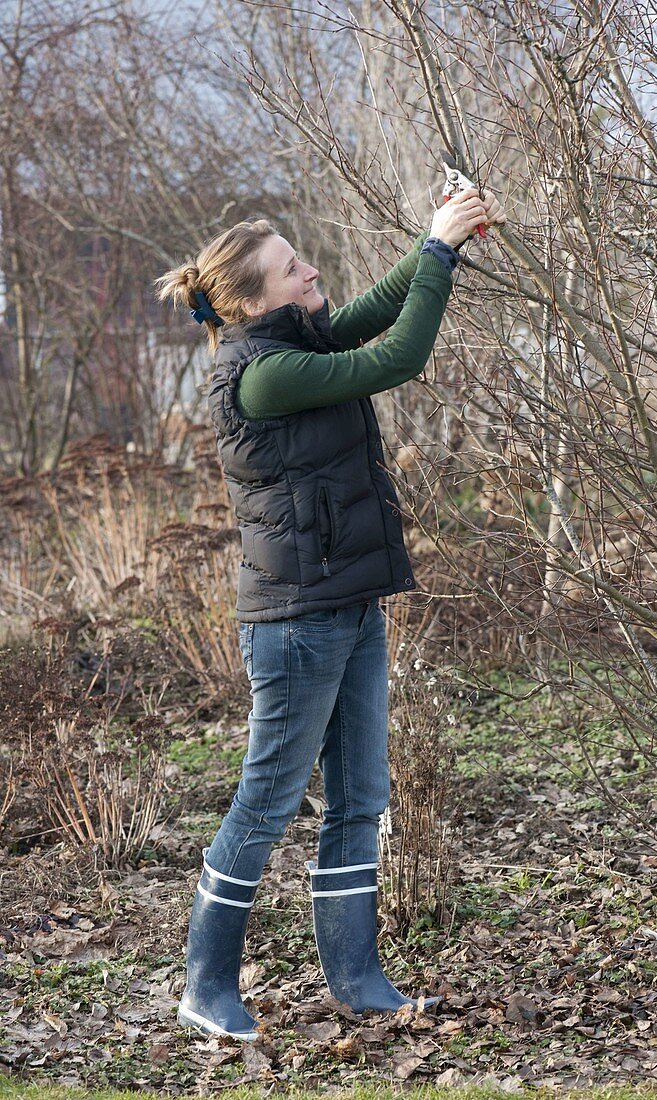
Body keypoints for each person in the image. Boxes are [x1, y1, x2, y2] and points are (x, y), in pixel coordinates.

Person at [155, 184, 507, 1041]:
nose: (310, 272)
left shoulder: (294, 340)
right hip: (295, 623)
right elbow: (393, 359)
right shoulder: (264, 373)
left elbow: (373, 313)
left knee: (360, 798)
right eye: (292, 267)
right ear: (253, 300)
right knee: (267, 804)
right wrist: (434, 248)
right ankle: (206, 987)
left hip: (348, 605)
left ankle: (356, 978)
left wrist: (444, 245)